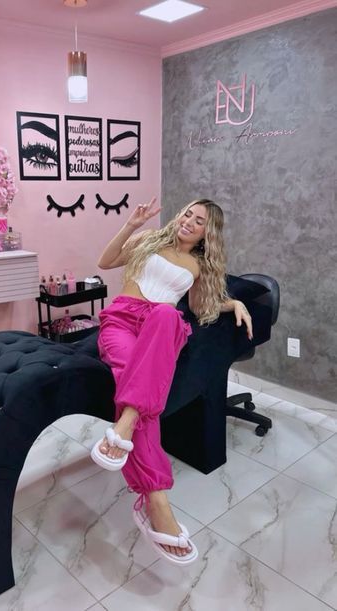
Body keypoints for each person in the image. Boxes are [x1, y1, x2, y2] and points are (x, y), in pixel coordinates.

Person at [90, 197, 253, 565]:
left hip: (159, 328)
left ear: (206, 234)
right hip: (121, 323)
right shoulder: (148, 240)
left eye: (199, 221)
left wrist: (235, 304)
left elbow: (201, 307)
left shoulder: (197, 265)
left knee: (167, 314)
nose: (189, 222)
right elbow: (105, 261)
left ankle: (126, 423)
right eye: (188, 214)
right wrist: (131, 224)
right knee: (140, 379)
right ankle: (156, 501)